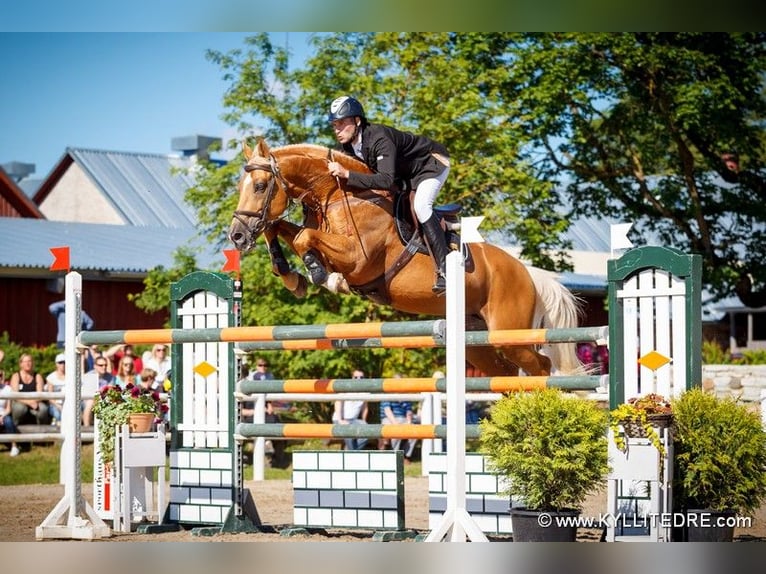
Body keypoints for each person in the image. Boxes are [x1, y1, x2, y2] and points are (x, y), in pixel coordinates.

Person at [326, 95, 452, 294]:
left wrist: (347, 173)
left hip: (431, 164)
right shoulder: (349, 147)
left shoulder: (379, 138)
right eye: (334, 125)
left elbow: (385, 180)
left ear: (357, 121)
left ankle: (446, 269)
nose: (337, 130)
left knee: (420, 205)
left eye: (342, 124)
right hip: (405, 175)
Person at [9, 354, 51, 429]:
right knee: (20, 408)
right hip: (20, 402)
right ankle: (15, 430)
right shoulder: (16, 376)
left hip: (36, 401)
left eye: (29, 361)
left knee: (43, 409)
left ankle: (42, 433)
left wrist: (33, 402)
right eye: (25, 361)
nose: (28, 363)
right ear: (20, 364)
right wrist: (29, 402)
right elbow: (15, 396)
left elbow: (40, 394)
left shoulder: (38, 376)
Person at [332, 369, 369, 451]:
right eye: (356, 377)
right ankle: (353, 454)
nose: (358, 379)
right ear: (352, 378)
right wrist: (340, 420)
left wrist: (363, 421)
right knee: (349, 433)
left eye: (361, 377)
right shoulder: (346, 388)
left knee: (368, 432)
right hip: (340, 419)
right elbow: (338, 402)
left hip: (354, 421)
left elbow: (365, 408)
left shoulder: (365, 392)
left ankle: (352, 453)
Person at [379, 396, 417, 463]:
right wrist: (396, 424)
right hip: (389, 419)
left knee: (415, 431)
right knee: (396, 432)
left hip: (403, 419)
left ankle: (406, 455)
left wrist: (409, 422)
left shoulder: (406, 397)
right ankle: (395, 454)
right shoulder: (387, 395)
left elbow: (409, 412)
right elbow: (387, 411)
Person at [45, 353, 67, 427]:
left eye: (64, 362)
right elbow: (50, 397)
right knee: (57, 414)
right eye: (60, 362)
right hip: (55, 404)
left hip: (68, 403)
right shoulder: (51, 377)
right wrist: (58, 406)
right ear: (56, 364)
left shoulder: (71, 376)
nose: (63, 364)